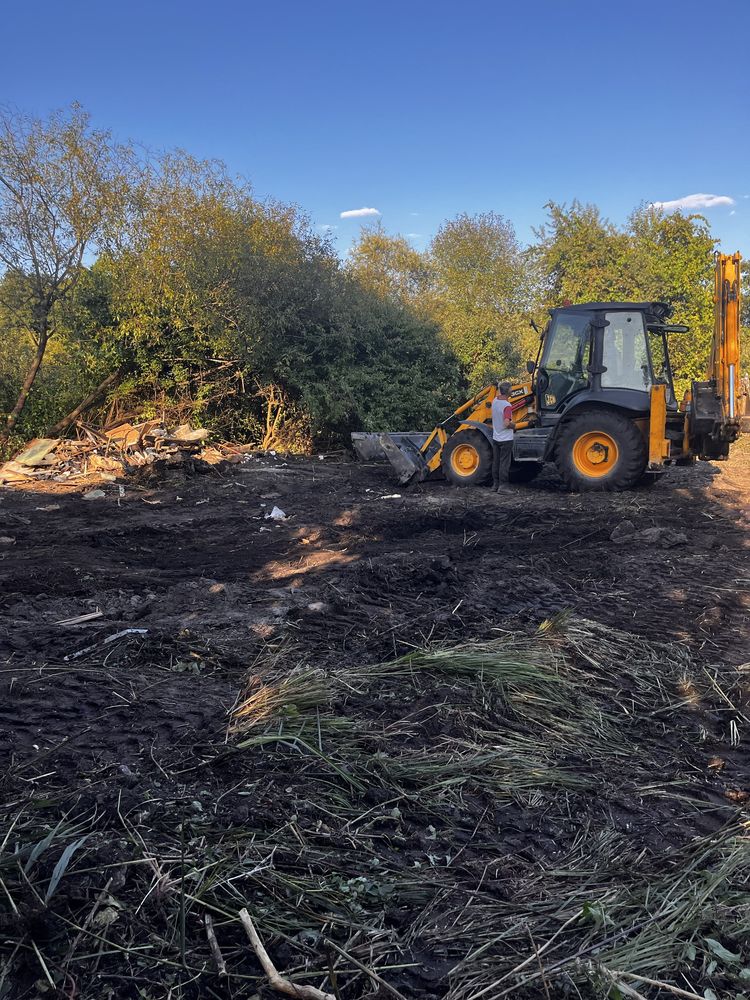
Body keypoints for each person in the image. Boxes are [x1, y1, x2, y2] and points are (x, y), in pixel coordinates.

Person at [491, 382, 515, 491]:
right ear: (509, 391)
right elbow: (506, 423)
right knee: (504, 463)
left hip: (496, 437)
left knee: (496, 461)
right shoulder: (507, 406)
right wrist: (514, 425)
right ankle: (503, 487)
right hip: (506, 439)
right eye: (511, 389)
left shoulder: (494, 401)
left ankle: (495, 485)